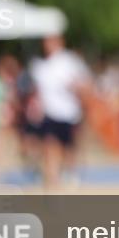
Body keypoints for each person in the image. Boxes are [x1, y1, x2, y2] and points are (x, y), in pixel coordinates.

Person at [30, 34, 90, 188]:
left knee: (68, 151)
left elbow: (85, 85)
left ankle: (69, 174)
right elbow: (38, 91)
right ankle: (52, 184)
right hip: (49, 114)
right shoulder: (40, 65)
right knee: (50, 149)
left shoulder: (70, 61)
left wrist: (75, 88)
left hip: (69, 114)